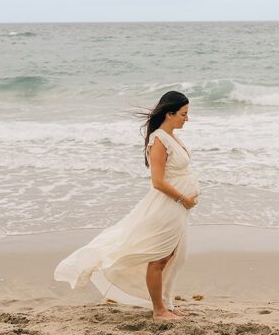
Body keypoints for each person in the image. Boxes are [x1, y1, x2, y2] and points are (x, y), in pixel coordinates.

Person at [54, 91, 200, 320]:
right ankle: (159, 310)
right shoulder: (159, 140)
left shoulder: (172, 136)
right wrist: (184, 198)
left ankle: (167, 304)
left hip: (177, 208)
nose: (187, 119)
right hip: (167, 206)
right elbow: (158, 181)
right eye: (183, 114)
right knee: (160, 257)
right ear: (169, 113)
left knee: (176, 257)